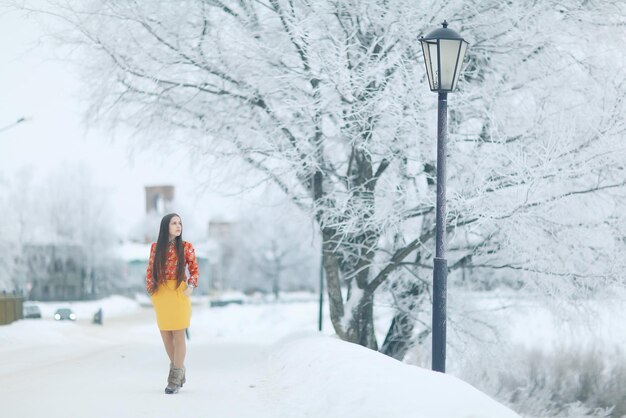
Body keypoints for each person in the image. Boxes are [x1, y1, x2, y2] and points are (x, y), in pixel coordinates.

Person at [146, 213, 199, 394]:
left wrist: (191, 285)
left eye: (180, 223)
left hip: (178, 292)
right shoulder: (155, 248)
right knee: (166, 336)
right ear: (165, 226)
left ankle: (174, 378)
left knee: (178, 335)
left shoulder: (186, 247)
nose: (178, 226)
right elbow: (150, 270)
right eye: (174, 223)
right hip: (161, 294)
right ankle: (179, 369)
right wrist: (152, 291)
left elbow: (194, 270)